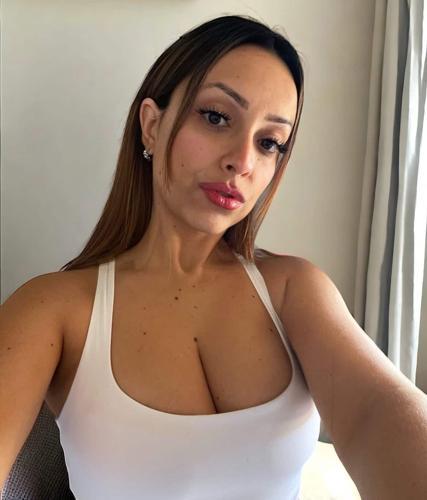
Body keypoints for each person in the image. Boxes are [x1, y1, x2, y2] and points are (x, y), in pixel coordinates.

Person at [1, 14, 426, 500]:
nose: (242, 161)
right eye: (217, 117)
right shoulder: (54, 309)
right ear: (152, 126)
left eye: (269, 142)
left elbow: (377, 410)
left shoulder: (293, 290)